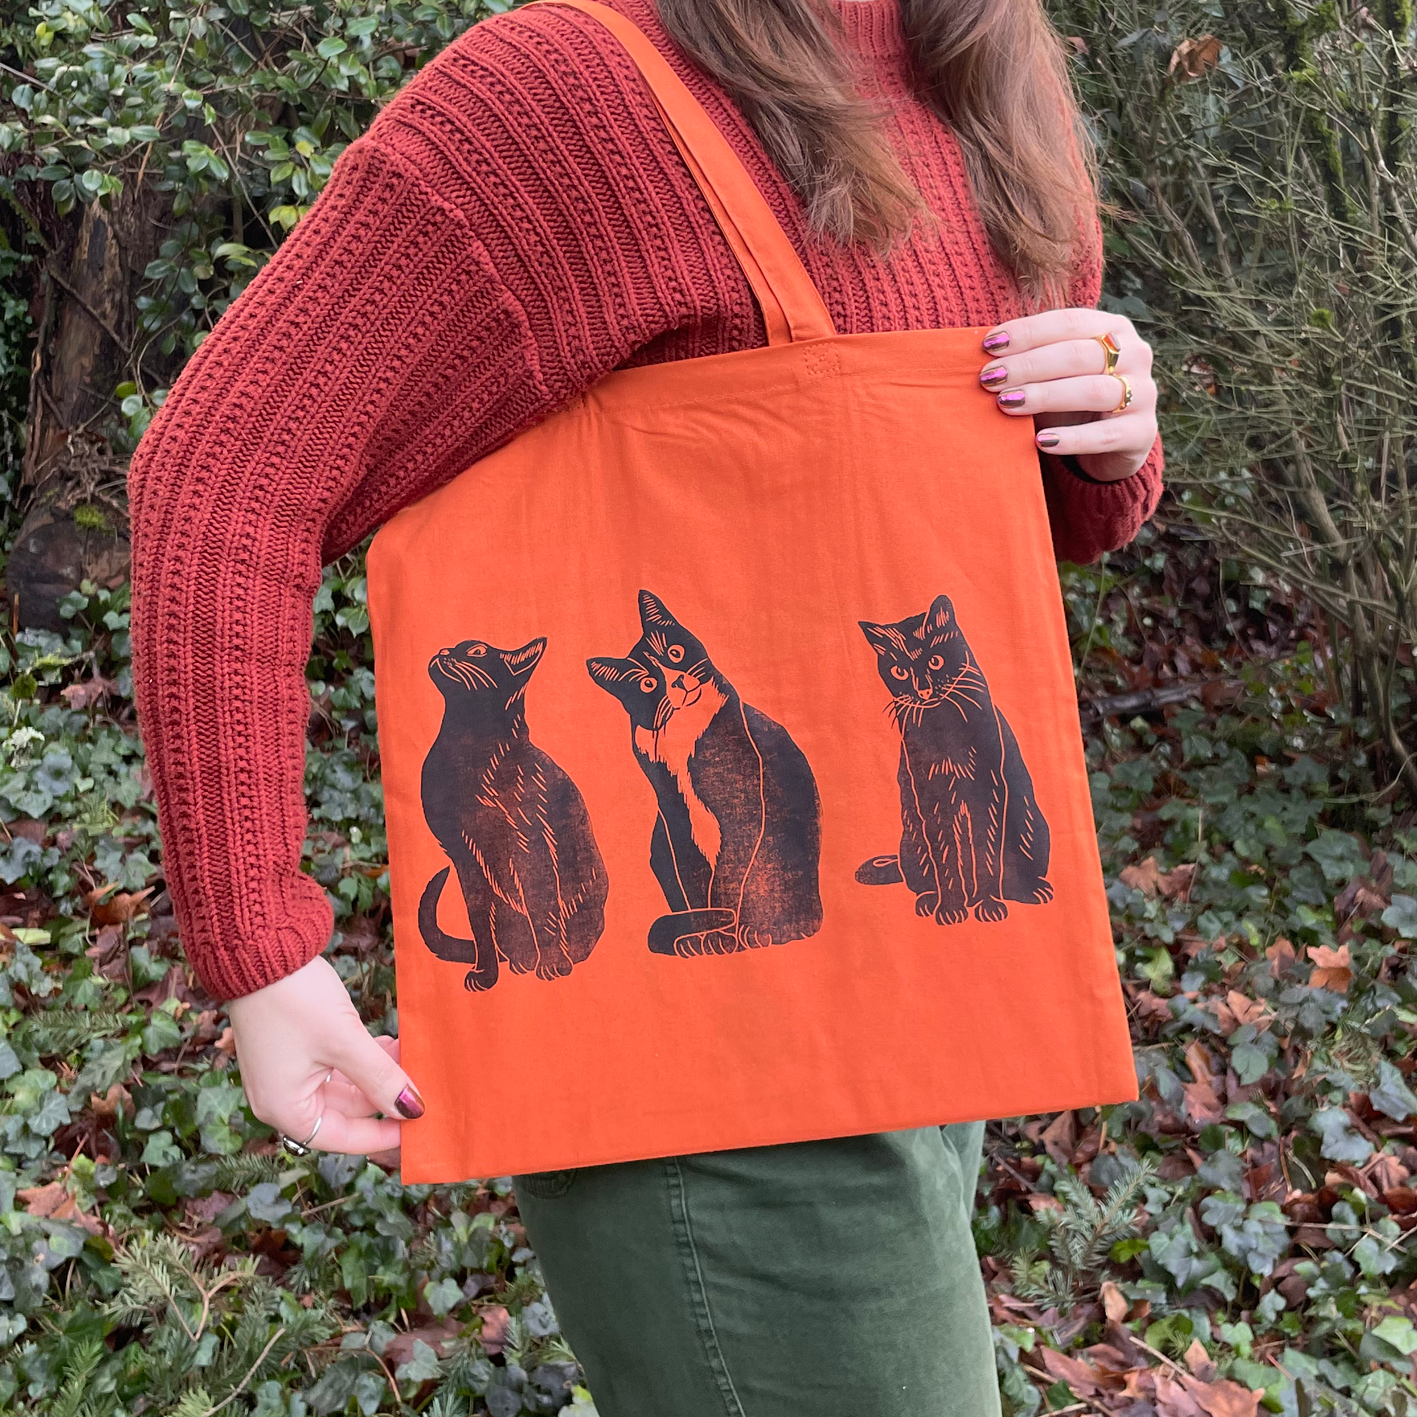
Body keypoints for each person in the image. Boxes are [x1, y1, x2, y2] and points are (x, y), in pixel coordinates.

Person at [128, 0, 1161, 1410]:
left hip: (913, 998)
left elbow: (965, 519)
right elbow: (223, 471)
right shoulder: (572, 99)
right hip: (709, 1069)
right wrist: (259, 943)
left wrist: (1109, 435)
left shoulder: (984, 80)